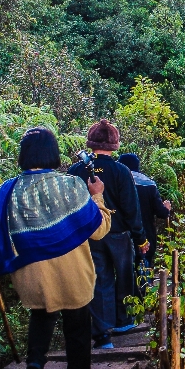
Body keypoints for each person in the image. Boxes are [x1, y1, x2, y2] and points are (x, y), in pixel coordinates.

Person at [0, 127, 112, 369]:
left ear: (24, 155)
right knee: (77, 324)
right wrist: (97, 194)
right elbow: (99, 229)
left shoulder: (7, 191)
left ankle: (34, 365)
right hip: (72, 273)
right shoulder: (70, 186)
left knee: (41, 316)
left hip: (31, 275)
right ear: (53, 154)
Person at [68, 120, 148, 349]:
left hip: (89, 235)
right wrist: (140, 238)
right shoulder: (121, 171)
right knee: (124, 275)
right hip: (119, 234)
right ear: (114, 144)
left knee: (100, 279)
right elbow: (131, 208)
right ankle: (124, 321)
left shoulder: (76, 170)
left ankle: (102, 334)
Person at [118, 153, 172, 293]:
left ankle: (125, 301)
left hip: (121, 235)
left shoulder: (116, 180)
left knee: (123, 270)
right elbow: (161, 212)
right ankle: (144, 299)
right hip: (145, 233)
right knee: (144, 266)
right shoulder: (148, 183)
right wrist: (166, 208)